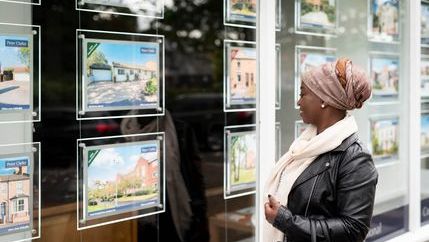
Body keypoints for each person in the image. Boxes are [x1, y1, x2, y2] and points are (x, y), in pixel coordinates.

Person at [264, 58, 378, 242]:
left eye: (303, 94)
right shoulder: (306, 145)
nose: (298, 101)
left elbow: (353, 229)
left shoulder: (355, 158)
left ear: (324, 99)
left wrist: (286, 221)